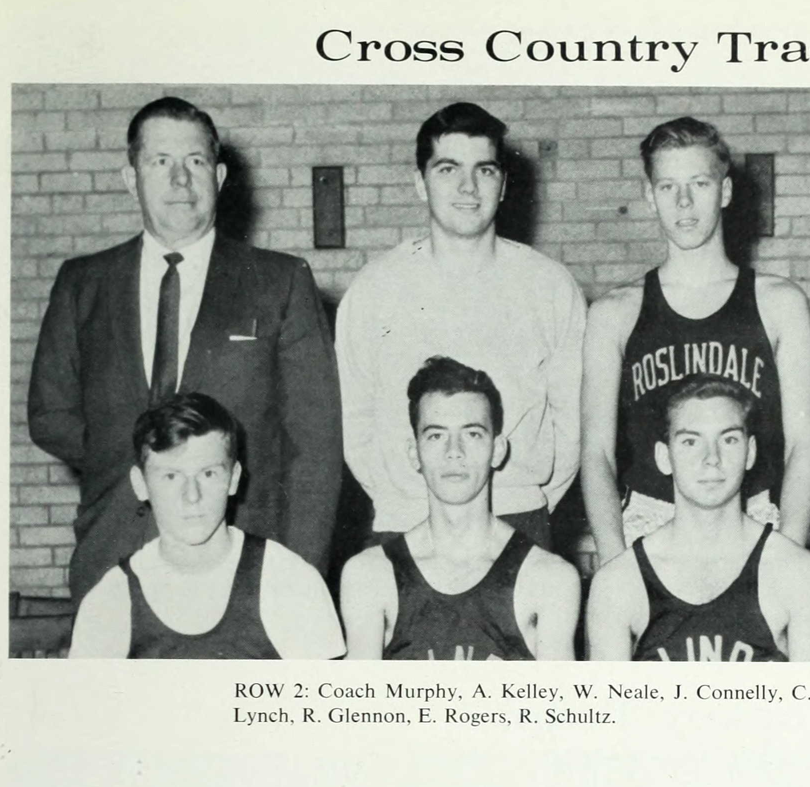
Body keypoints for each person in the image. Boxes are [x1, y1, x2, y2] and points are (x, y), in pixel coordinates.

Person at [28, 97, 342, 603]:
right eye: (160, 162)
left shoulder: (279, 282)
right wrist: (138, 467)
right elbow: (50, 415)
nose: (180, 180)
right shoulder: (83, 283)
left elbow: (315, 445)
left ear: (219, 177)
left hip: (247, 557)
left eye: (195, 161)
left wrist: (299, 576)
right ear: (131, 178)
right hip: (115, 550)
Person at [336, 102, 585, 550]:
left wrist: (529, 500)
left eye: (484, 171)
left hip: (516, 515)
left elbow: (574, 423)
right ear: (420, 182)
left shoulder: (548, 285)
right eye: (448, 169)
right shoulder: (376, 287)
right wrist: (402, 498)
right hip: (407, 518)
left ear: (503, 184)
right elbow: (355, 423)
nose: (468, 187)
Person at [581, 116, 810, 564]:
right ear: (650, 196)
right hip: (649, 524)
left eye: (699, 184)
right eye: (668, 187)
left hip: (752, 519)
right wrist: (615, 560)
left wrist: (788, 553)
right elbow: (596, 453)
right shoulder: (614, 313)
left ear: (725, 191)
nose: (684, 202)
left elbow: (803, 444)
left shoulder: (779, 303)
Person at [68, 394, 344, 659]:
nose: (192, 495)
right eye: (171, 476)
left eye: (208, 473)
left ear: (233, 478)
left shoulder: (288, 580)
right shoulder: (109, 601)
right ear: (140, 484)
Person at [338, 358, 580, 660]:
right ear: (414, 453)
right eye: (436, 435)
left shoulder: (549, 579)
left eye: (472, 434)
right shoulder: (370, 575)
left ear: (498, 450)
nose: (454, 452)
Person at [586, 375, 810, 662]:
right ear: (664, 457)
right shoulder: (618, 583)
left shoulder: (795, 571)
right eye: (690, 441)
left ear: (750, 452)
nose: (712, 457)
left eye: (729, 439)